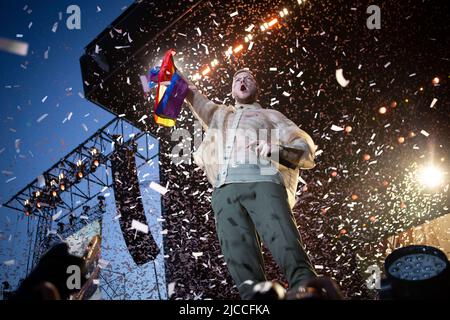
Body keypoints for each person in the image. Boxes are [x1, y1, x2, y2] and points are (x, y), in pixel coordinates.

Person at [179, 68, 318, 299]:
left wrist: (278, 150)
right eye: (237, 80)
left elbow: (303, 144)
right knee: (237, 254)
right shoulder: (219, 115)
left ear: (256, 88)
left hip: (262, 180)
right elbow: (194, 95)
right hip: (224, 190)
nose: (242, 81)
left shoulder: (271, 115)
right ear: (232, 89)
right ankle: (253, 299)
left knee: (284, 240)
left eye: (248, 79)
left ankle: (306, 287)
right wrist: (176, 76)